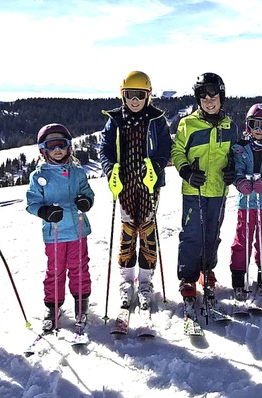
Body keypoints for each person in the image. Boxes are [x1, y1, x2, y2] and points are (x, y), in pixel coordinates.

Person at [98, 70, 172, 311]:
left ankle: (146, 282)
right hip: (125, 182)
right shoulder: (116, 119)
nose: (135, 100)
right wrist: (111, 172)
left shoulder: (156, 119)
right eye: (130, 95)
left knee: (147, 228)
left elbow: (165, 148)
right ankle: (127, 280)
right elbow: (105, 149)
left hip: (149, 182)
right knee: (128, 228)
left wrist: (157, 166)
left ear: (148, 96)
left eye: (140, 95)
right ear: (123, 95)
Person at [171, 72, 237, 310]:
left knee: (212, 233)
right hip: (194, 190)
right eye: (203, 96)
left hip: (218, 190)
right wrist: (186, 171)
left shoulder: (230, 125)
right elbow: (177, 151)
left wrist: (233, 170)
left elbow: (235, 155)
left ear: (222, 96)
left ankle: (206, 270)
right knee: (192, 234)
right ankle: (187, 277)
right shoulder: (187, 124)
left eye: (213, 95)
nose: (209, 100)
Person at [26, 123, 95, 332]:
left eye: (61, 144)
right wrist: (44, 211)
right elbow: (32, 202)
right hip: (54, 232)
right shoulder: (39, 175)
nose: (57, 150)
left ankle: (81, 302)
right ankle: (52, 306)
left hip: (77, 229)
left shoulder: (77, 172)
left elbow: (88, 192)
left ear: (69, 147)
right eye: (51, 145)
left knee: (79, 266)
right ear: (43, 150)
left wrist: (86, 201)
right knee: (55, 270)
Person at [229, 103, 262, 301]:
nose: (258, 130)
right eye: (254, 124)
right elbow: (236, 169)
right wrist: (240, 181)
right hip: (247, 200)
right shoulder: (241, 149)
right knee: (243, 237)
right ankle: (238, 275)